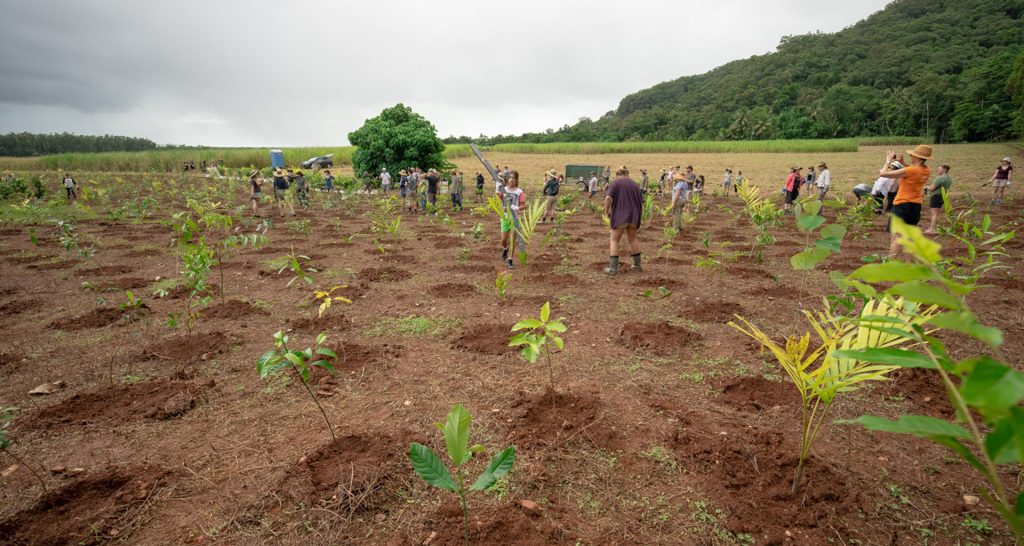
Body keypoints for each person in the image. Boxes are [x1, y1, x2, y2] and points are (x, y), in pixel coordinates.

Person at [879, 145, 931, 257]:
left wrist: (888, 161)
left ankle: (890, 265)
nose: (910, 156)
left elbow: (883, 173)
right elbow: (912, 171)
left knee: (896, 238)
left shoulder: (910, 170)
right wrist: (903, 163)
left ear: (917, 157)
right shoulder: (926, 170)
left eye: (912, 155)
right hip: (915, 207)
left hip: (902, 206)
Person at [604, 166, 644, 276]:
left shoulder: (616, 183)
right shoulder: (635, 184)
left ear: (617, 175)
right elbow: (642, 201)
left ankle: (613, 269)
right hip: (634, 216)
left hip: (621, 216)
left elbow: (608, 198)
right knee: (633, 239)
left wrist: (606, 211)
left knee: (614, 240)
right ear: (628, 174)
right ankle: (637, 265)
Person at [499, 171, 526, 269]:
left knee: (513, 239)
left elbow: (524, 205)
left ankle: (510, 259)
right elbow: (498, 199)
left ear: (517, 180)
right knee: (504, 240)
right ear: (507, 179)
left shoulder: (519, 192)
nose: (511, 179)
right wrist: (498, 188)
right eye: (510, 177)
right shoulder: (504, 190)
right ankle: (505, 249)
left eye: (514, 178)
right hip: (505, 218)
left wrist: (517, 207)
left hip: (515, 218)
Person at [925, 164, 952, 234]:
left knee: (934, 214)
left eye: (939, 169)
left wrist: (926, 187)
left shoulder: (940, 178)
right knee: (936, 213)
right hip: (943, 196)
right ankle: (934, 228)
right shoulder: (949, 178)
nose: (938, 170)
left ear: (944, 170)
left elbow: (932, 188)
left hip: (936, 196)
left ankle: (931, 229)